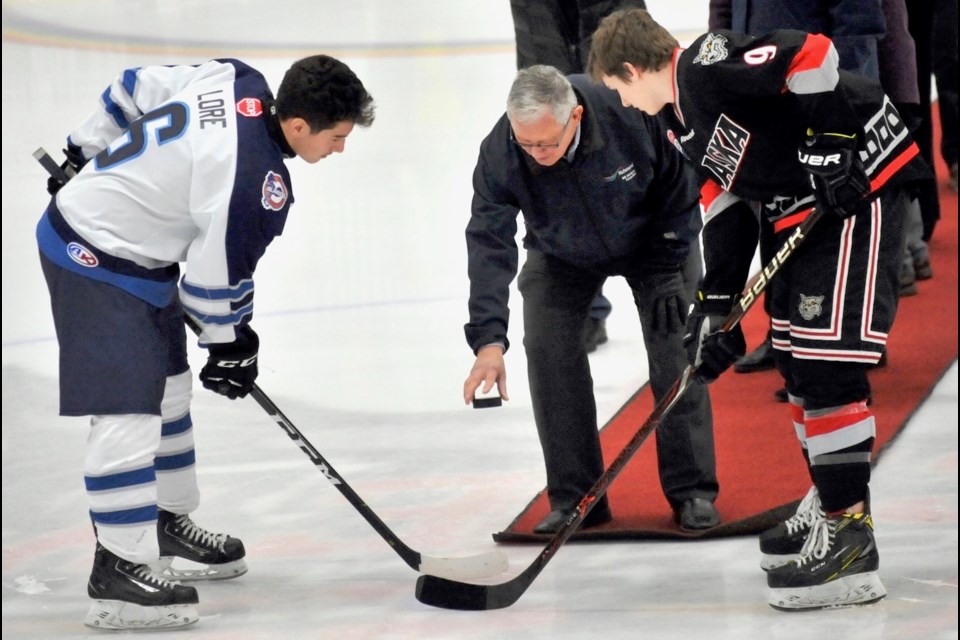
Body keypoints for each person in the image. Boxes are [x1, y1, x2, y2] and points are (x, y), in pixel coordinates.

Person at [588, 8, 927, 610]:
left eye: (618, 90)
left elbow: (813, 53)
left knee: (826, 364)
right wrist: (717, 303)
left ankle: (852, 543)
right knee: (795, 360)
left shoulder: (703, 64)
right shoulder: (678, 121)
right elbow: (725, 199)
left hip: (860, 186)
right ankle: (833, 499)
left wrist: (831, 144)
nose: (625, 105)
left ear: (633, 69)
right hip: (800, 204)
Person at [36, 55, 374, 630]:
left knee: (168, 392)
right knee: (129, 411)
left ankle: (164, 521)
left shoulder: (233, 77)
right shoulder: (254, 181)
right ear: (298, 127)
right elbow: (214, 280)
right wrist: (231, 343)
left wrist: (81, 148)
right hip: (92, 256)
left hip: (136, 255)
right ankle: (117, 570)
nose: (340, 148)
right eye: (337, 137)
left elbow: (133, 86)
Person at [462, 64, 720, 535]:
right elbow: (488, 243)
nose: (536, 154)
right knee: (547, 347)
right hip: (561, 252)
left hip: (656, 243)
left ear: (575, 116)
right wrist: (488, 341)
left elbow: (682, 181)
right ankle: (576, 497)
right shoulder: (502, 150)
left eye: (547, 143)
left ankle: (693, 491)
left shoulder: (626, 107)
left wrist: (667, 263)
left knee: (675, 351)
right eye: (527, 144)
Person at [707, 0, 888, 372]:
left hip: (819, 99)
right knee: (779, 224)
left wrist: (841, 102)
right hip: (768, 105)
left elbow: (858, 23)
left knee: (841, 224)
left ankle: (857, 330)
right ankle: (784, 334)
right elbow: (724, 12)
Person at [509, 0, 648, 353]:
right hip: (545, 46)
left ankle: (661, 285)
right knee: (557, 174)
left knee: (630, 167)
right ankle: (583, 304)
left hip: (613, 40)